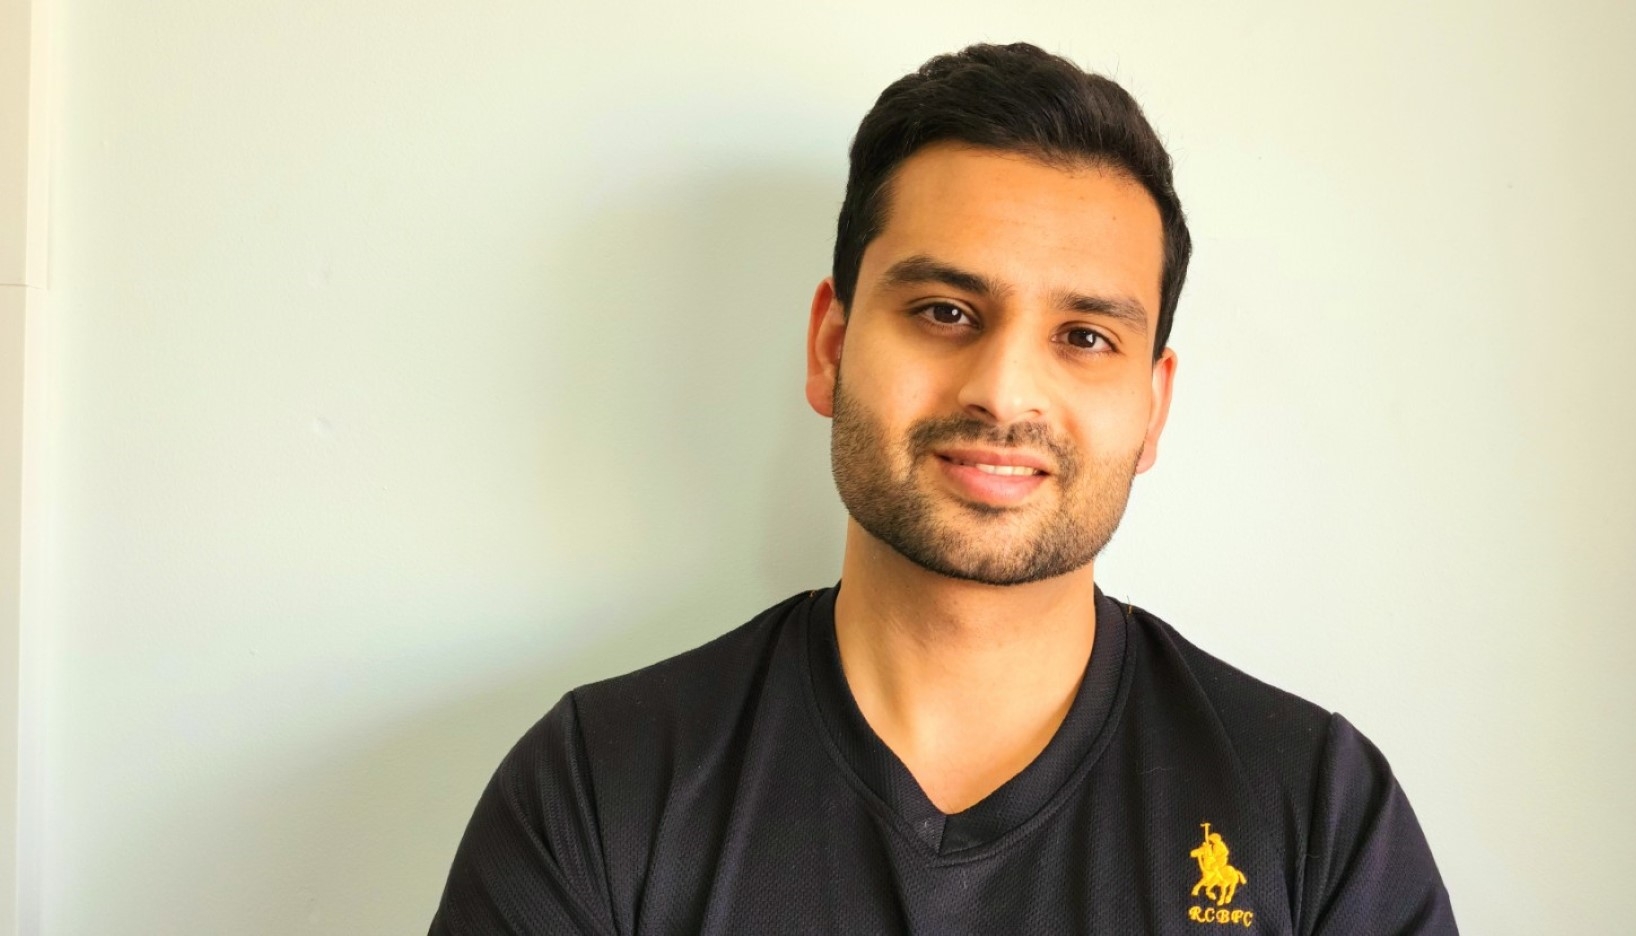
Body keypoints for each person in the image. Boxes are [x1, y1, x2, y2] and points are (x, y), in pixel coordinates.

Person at [429, 42, 1456, 935]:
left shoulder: (1315, 813)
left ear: (1152, 407)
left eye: (1084, 337)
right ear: (831, 346)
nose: (1005, 390)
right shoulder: (601, 788)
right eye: (944, 312)